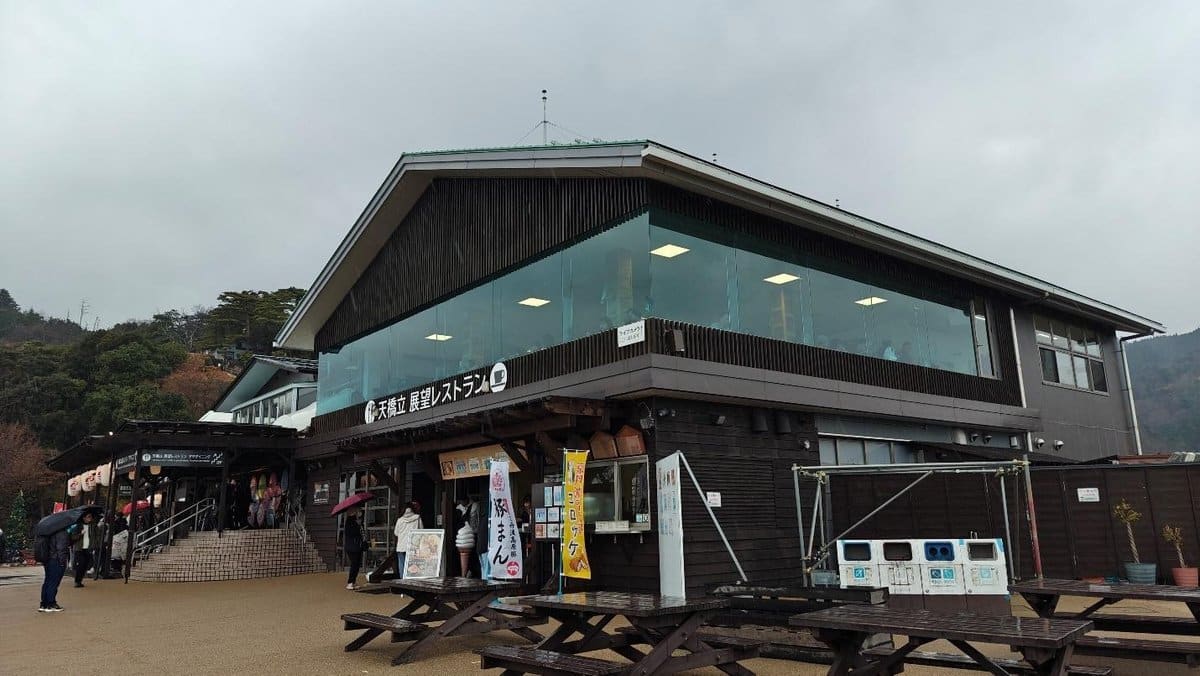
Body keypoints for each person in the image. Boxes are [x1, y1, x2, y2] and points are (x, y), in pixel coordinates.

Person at [39, 518, 75, 612]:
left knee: (47, 581)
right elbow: (61, 549)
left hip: (48, 559)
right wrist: (62, 562)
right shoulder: (62, 533)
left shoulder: (49, 533)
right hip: (56, 560)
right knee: (54, 582)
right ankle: (51, 603)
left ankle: (44, 603)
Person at [392, 501, 422, 578]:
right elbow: (421, 531)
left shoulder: (400, 520)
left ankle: (403, 581)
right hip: (413, 546)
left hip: (401, 546)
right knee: (413, 565)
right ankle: (411, 581)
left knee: (402, 564)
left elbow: (396, 533)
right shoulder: (417, 518)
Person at [71, 511, 98, 588]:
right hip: (79, 549)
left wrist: (95, 543)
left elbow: (96, 536)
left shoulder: (93, 526)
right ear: (84, 518)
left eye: (90, 517)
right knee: (81, 564)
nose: (90, 518)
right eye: (88, 517)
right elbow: (73, 537)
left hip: (88, 548)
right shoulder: (78, 526)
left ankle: (80, 580)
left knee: (86, 565)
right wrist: (80, 534)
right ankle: (77, 581)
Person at [343, 508, 364, 590]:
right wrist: (358, 526)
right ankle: (350, 582)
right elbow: (352, 533)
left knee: (357, 564)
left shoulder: (356, 521)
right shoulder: (350, 522)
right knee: (354, 564)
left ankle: (353, 581)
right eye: (358, 511)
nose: (359, 513)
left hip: (356, 546)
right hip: (352, 547)